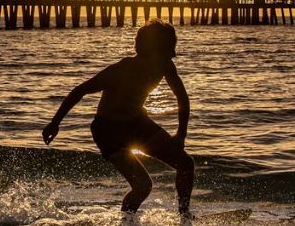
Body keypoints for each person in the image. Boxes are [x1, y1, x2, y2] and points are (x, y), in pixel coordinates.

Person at [43, 20, 195, 216]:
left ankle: (184, 216)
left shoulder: (165, 65)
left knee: (185, 164)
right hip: (108, 130)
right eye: (168, 48)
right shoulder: (122, 69)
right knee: (142, 186)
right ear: (157, 48)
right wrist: (55, 123)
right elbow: (80, 90)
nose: (172, 53)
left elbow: (182, 98)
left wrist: (181, 134)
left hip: (136, 122)